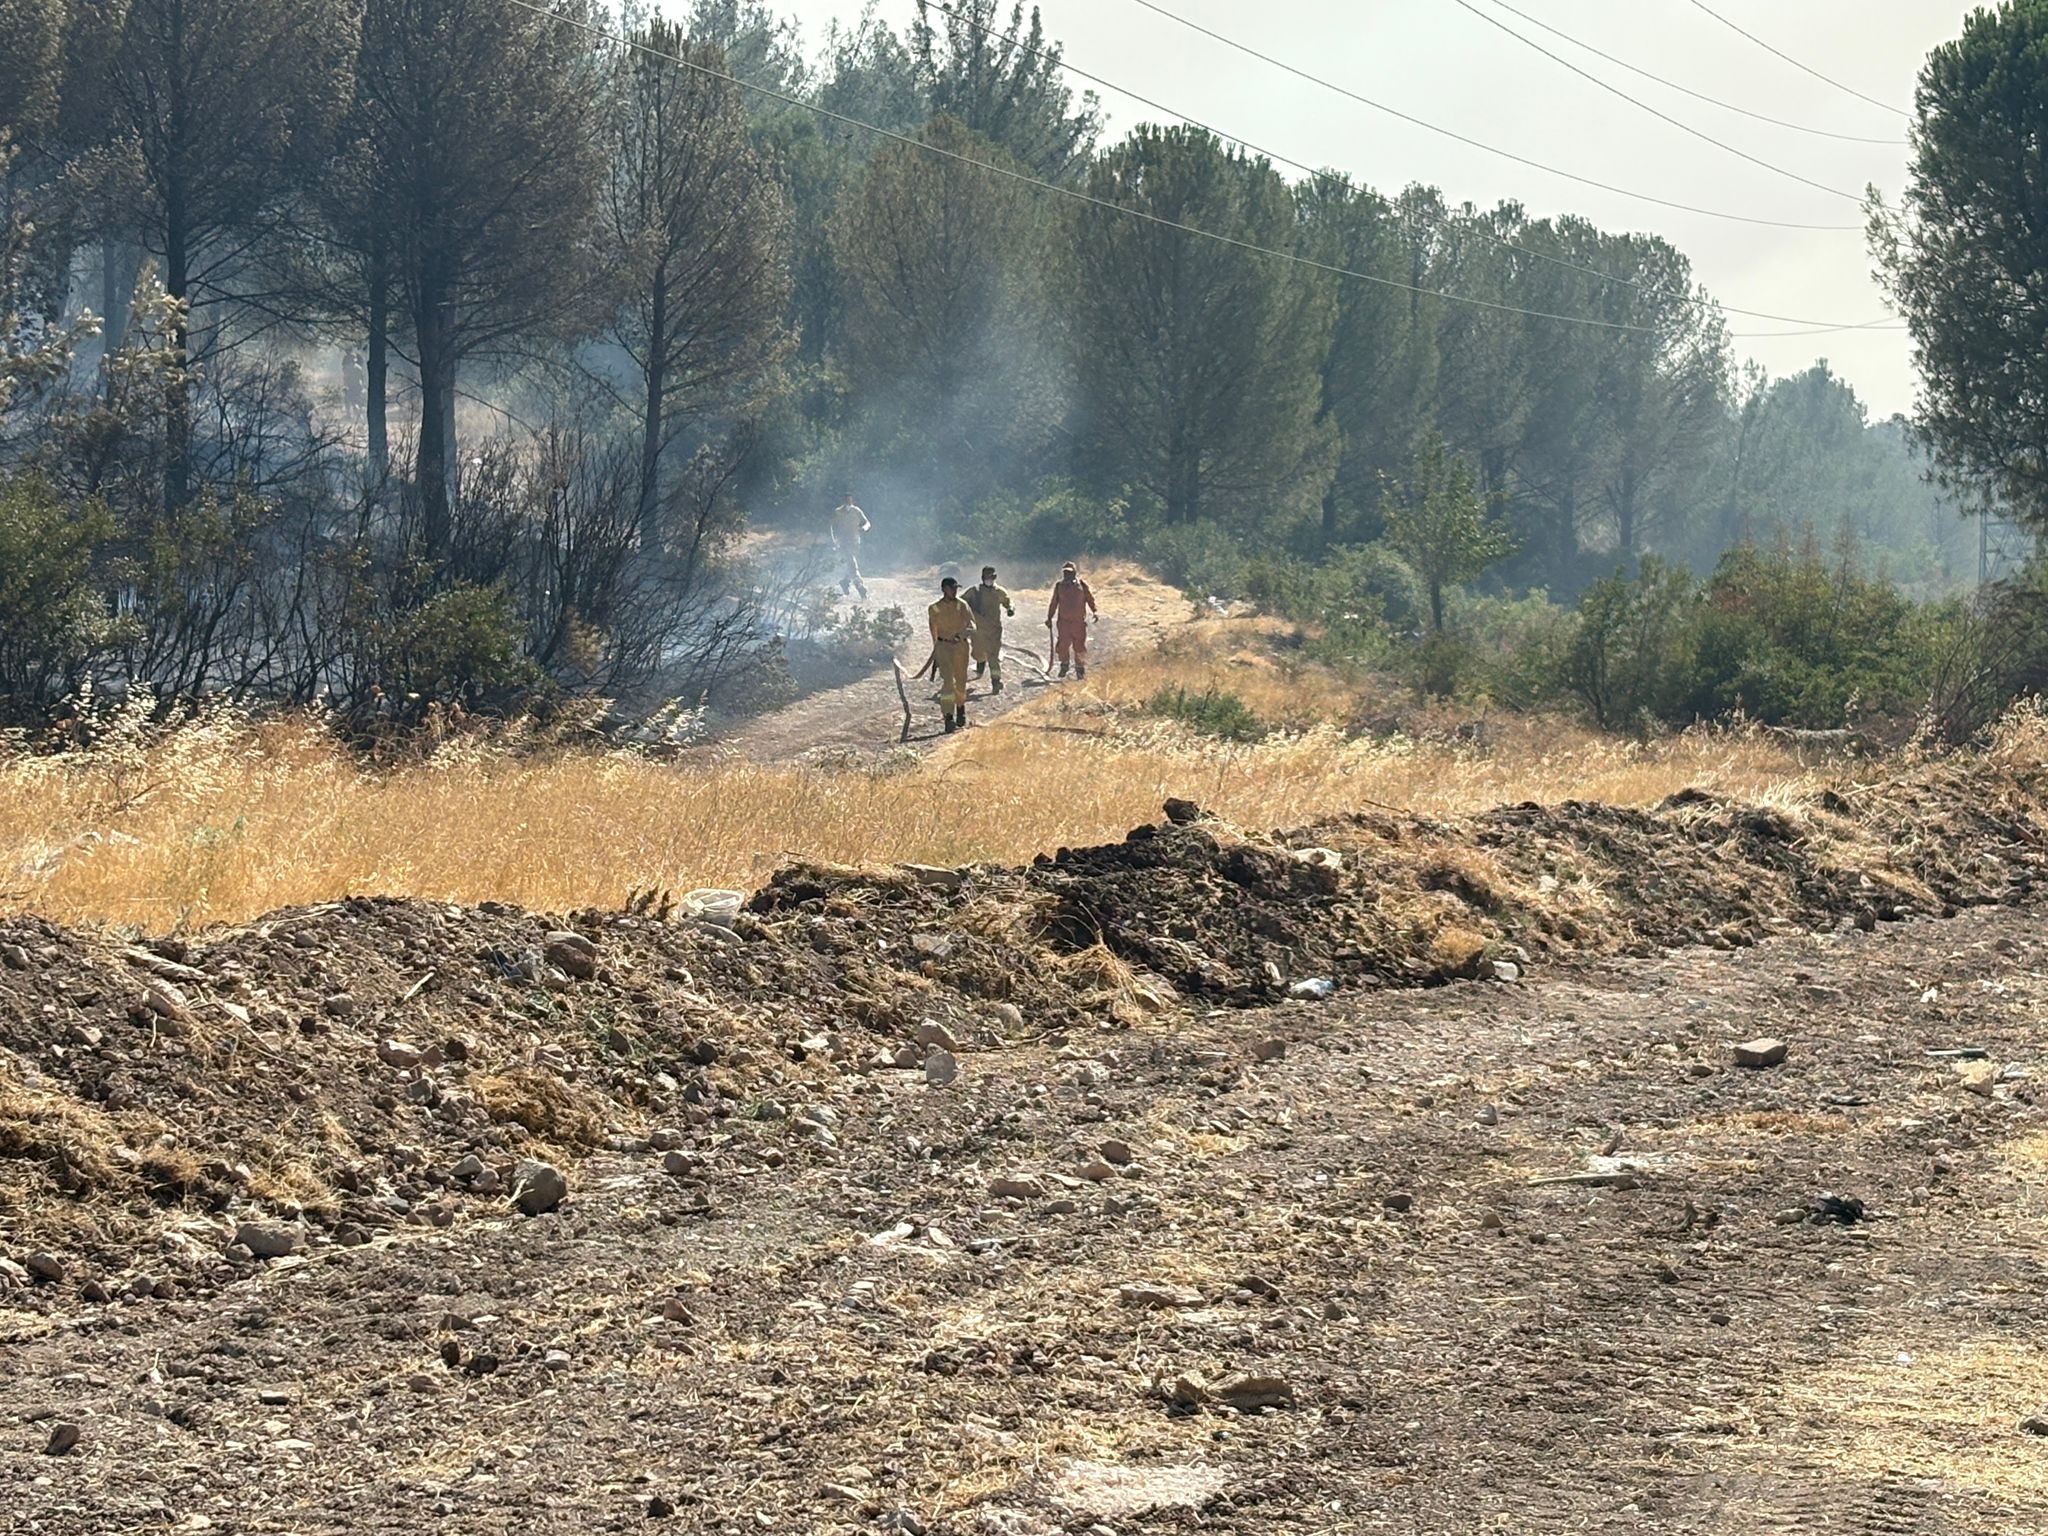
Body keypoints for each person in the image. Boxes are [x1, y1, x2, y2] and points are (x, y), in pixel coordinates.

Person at [927, 575, 977, 732]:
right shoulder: (934, 608)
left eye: (956, 588)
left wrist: (961, 635)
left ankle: (960, 708)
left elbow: (972, 626)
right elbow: (933, 631)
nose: (955, 591)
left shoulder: (962, 605)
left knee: (961, 682)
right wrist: (936, 650)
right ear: (944, 589)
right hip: (943, 648)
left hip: (960, 648)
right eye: (952, 588)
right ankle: (948, 716)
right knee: (948, 682)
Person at [963, 565, 1015, 693]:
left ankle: (996, 681)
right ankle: (981, 663)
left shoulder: (999, 592)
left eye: (991, 576)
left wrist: (1010, 609)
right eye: (986, 577)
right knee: (978, 654)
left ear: (995, 577)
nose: (989, 579)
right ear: (982, 577)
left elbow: (1008, 601)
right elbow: (961, 603)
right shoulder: (974, 591)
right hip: (978, 631)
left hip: (994, 631)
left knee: (993, 657)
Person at [1046, 561, 1097, 679]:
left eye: (1069, 573)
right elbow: (1054, 603)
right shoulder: (1059, 586)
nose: (1067, 575)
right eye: (1065, 572)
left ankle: (1080, 670)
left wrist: (1095, 611)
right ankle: (1064, 665)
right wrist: (1049, 617)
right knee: (1063, 646)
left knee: (1079, 646)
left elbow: (1090, 599)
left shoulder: (1082, 585)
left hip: (1078, 623)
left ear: (1074, 573)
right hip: (1064, 623)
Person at [830, 491, 870, 599]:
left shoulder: (856, 511)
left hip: (855, 542)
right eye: (846, 499)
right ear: (843, 501)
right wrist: (834, 541)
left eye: (850, 499)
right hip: (843, 542)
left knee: (851, 562)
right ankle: (860, 586)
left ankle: (845, 581)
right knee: (851, 561)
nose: (848, 502)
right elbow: (832, 527)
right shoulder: (838, 512)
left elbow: (867, 523)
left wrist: (864, 528)